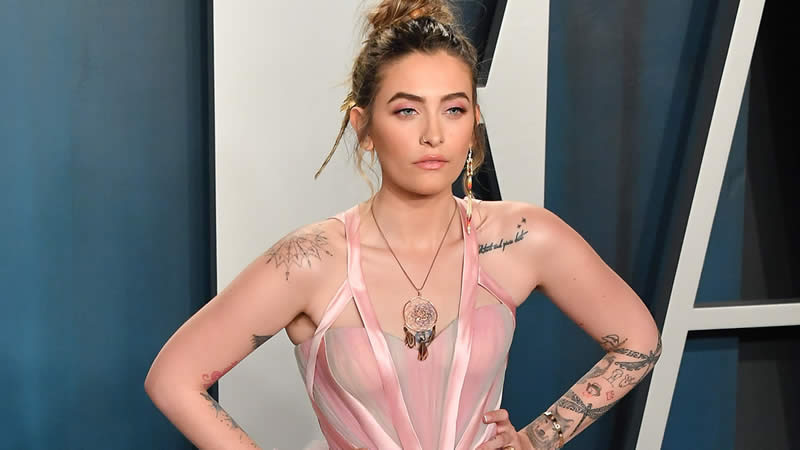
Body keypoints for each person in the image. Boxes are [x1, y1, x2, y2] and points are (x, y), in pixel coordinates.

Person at [144, 0, 662, 449]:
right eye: (407, 111)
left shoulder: (522, 238)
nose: (434, 134)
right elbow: (173, 379)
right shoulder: (311, 260)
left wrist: (536, 439)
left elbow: (639, 340)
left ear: (475, 122)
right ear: (364, 126)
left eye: (453, 109)